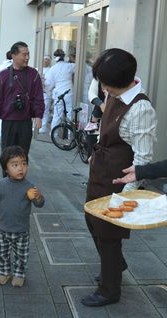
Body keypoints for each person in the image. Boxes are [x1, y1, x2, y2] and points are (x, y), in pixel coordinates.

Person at [82, 48, 157, 307]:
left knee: (109, 234)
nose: (103, 88)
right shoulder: (113, 92)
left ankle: (109, 289)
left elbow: (143, 159)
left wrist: (127, 199)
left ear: (121, 80)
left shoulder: (141, 108)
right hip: (100, 170)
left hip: (119, 180)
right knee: (92, 221)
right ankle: (115, 265)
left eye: (105, 82)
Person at [0, 145, 44, 287]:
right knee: (1, 252)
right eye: (15, 165)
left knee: (21, 254)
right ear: (6, 169)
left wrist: (38, 197)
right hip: (2, 228)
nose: (20, 168)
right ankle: (4, 272)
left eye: (24, 164)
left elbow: (40, 204)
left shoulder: (30, 186)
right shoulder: (0, 185)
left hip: (21, 230)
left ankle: (19, 273)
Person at [0, 41, 44, 164]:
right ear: (14, 56)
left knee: (23, 154)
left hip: (25, 121)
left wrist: (38, 116)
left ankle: (20, 179)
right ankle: (7, 180)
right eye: (24, 55)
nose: (27, 58)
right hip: (8, 121)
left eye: (28, 54)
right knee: (7, 154)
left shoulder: (33, 74)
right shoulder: (3, 75)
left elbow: (38, 97)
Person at [45, 48, 76, 132]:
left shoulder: (53, 69)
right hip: (69, 92)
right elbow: (78, 67)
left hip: (58, 93)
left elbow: (48, 84)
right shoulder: (69, 66)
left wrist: (49, 93)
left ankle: (53, 135)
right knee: (70, 114)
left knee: (57, 115)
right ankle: (70, 136)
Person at [39, 55, 53, 134]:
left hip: (46, 93)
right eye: (45, 59)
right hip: (38, 93)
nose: (46, 61)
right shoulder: (38, 69)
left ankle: (43, 127)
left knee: (45, 110)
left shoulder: (51, 70)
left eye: (48, 60)